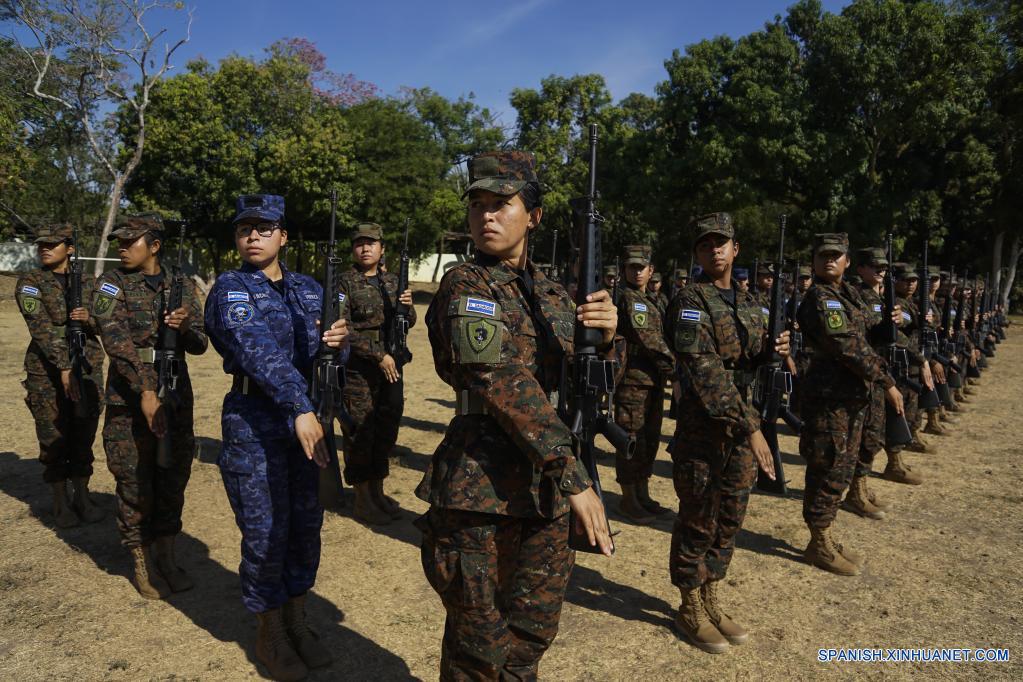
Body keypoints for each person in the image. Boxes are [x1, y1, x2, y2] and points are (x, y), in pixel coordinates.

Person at [417, 150, 617, 679]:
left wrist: (609, 338)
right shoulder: (466, 285)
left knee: (531, 635)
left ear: (534, 215)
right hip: (480, 491)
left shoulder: (555, 295)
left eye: (501, 204)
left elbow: (587, 385)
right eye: (477, 204)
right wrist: (572, 475)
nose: (486, 215)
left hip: (543, 493)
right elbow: (498, 379)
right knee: (478, 647)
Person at [204, 194, 350, 682]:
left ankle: (297, 620)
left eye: (264, 228)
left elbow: (329, 360)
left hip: (304, 427)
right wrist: (300, 407)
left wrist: (338, 346)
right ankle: (270, 632)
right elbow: (257, 351)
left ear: (283, 236)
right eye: (244, 228)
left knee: (306, 528)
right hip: (255, 424)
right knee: (266, 532)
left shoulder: (311, 290)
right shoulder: (231, 288)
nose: (252, 236)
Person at [664, 212, 789, 654]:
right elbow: (705, 370)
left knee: (731, 513)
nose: (714, 249)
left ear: (736, 250)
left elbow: (751, 359)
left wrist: (779, 352)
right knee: (699, 514)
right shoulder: (689, 300)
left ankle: (712, 590)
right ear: (697, 253)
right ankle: (689, 601)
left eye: (722, 242)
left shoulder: (750, 301)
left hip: (744, 422)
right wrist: (752, 428)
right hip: (706, 427)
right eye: (705, 244)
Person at [92, 215, 207, 598]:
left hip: (176, 392)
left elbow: (201, 343)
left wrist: (186, 325)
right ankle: (140, 561)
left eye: (130, 241)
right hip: (129, 397)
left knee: (173, 475)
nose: (121, 247)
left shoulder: (182, 285)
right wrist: (144, 389)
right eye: (119, 242)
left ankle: (167, 555)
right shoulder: (109, 285)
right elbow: (116, 342)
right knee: (134, 479)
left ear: (154, 246)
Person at [796, 233, 902, 577]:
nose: (829, 260)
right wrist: (886, 381)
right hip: (829, 400)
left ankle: (826, 535)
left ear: (847, 262)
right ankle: (819, 541)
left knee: (841, 466)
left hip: (850, 398)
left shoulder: (849, 294)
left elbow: (868, 329)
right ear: (814, 261)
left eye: (836, 255)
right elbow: (847, 345)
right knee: (826, 467)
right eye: (822, 255)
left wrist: (892, 318)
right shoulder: (820, 299)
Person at [17, 223, 105, 527]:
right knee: (52, 433)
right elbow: (40, 327)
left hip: (89, 365)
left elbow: (109, 323)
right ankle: (59, 502)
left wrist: (89, 318)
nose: (44, 248)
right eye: (41, 244)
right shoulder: (30, 282)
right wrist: (65, 366)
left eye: (52, 244)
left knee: (84, 431)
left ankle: (82, 494)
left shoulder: (92, 284)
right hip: (47, 370)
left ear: (70, 248)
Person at [337, 222, 416, 525]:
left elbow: (407, 321)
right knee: (360, 432)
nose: (365, 248)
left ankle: (378, 491)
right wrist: (377, 355)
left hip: (393, 365)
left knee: (386, 428)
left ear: (382, 248)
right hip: (360, 368)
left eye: (371, 243)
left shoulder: (394, 282)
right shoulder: (344, 282)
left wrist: (407, 309)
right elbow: (342, 328)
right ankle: (362, 498)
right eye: (359, 243)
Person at [615, 245, 675, 523]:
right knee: (631, 438)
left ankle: (643, 493)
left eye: (642, 267)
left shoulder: (651, 299)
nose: (637, 271)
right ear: (624, 270)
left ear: (651, 271)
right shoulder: (630, 300)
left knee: (649, 439)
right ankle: (629, 499)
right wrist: (675, 368)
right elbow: (648, 338)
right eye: (632, 267)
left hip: (652, 379)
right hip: (633, 380)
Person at [845, 247, 897, 517]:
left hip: (878, 370)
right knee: (865, 435)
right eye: (874, 265)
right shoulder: (859, 296)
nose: (880, 271)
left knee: (874, 432)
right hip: (867, 373)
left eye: (884, 267)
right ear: (860, 268)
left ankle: (861, 486)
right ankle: (855, 491)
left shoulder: (881, 297)